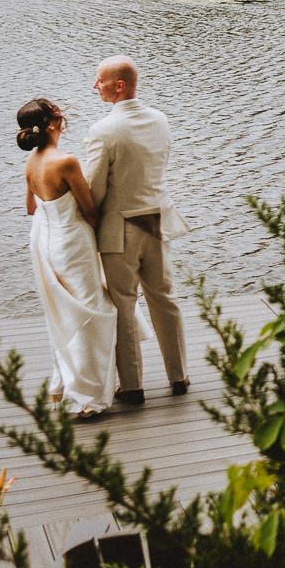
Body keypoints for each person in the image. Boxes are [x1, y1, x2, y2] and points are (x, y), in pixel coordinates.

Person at [83, 55, 190, 404]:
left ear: (119, 85)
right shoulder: (161, 120)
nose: (94, 85)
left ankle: (132, 386)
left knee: (123, 306)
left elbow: (95, 189)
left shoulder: (103, 131)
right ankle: (179, 376)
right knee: (166, 299)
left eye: (99, 80)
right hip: (158, 222)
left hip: (121, 229)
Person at [17, 97, 117, 418]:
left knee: (63, 315)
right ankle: (86, 396)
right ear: (50, 125)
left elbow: (31, 208)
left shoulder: (32, 162)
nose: (63, 119)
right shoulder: (66, 162)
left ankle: (62, 385)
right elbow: (90, 210)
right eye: (59, 116)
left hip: (45, 242)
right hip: (73, 243)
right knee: (90, 313)